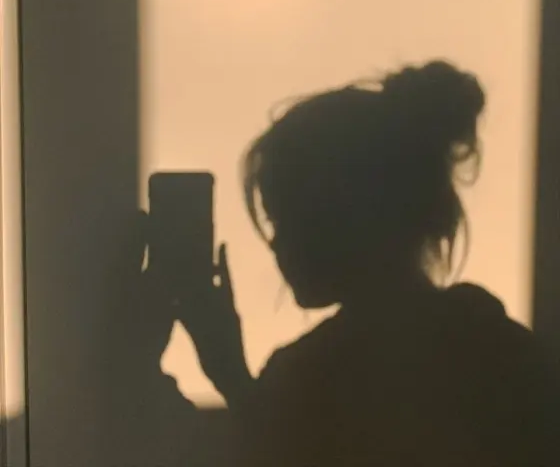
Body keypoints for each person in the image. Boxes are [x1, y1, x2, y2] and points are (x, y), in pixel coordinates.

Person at [133, 60, 560, 466]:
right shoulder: (507, 355)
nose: (276, 244)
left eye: (287, 219)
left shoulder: (310, 376)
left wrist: (220, 372)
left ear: (347, 215)